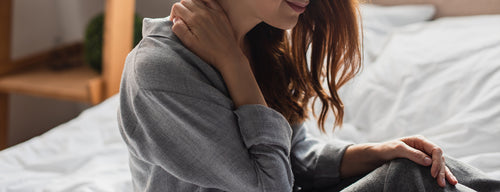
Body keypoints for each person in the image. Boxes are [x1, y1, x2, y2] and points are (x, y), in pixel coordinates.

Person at [117, 0, 500, 191]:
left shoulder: (261, 42)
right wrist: (233, 65)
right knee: (404, 178)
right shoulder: (159, 71)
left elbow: (295, 154)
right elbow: (272, 185)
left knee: (418, 165)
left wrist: (373, 152)